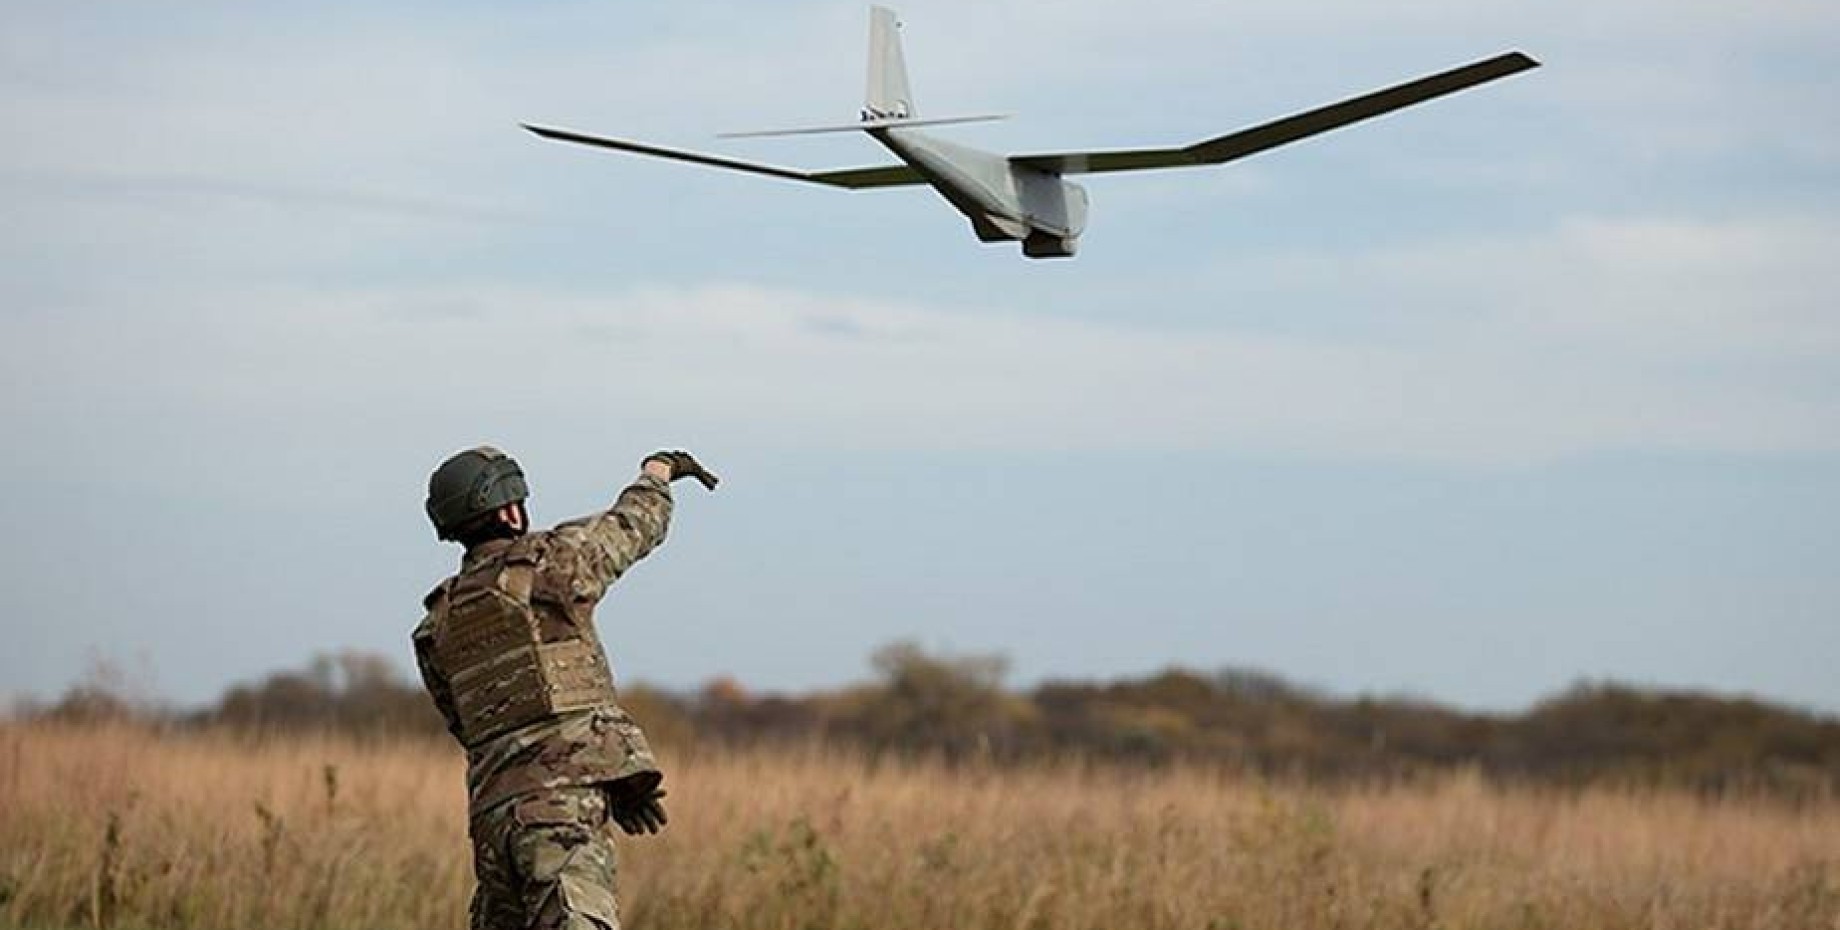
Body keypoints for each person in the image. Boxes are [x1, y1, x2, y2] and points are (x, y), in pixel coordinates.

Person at [414, 446, 717, 930]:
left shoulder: (437, 623)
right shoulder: (548, 565)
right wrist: (657, 472)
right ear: (510, 507)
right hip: (557, 815)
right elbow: (634, 526)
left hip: (493, 827)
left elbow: (472, 727)